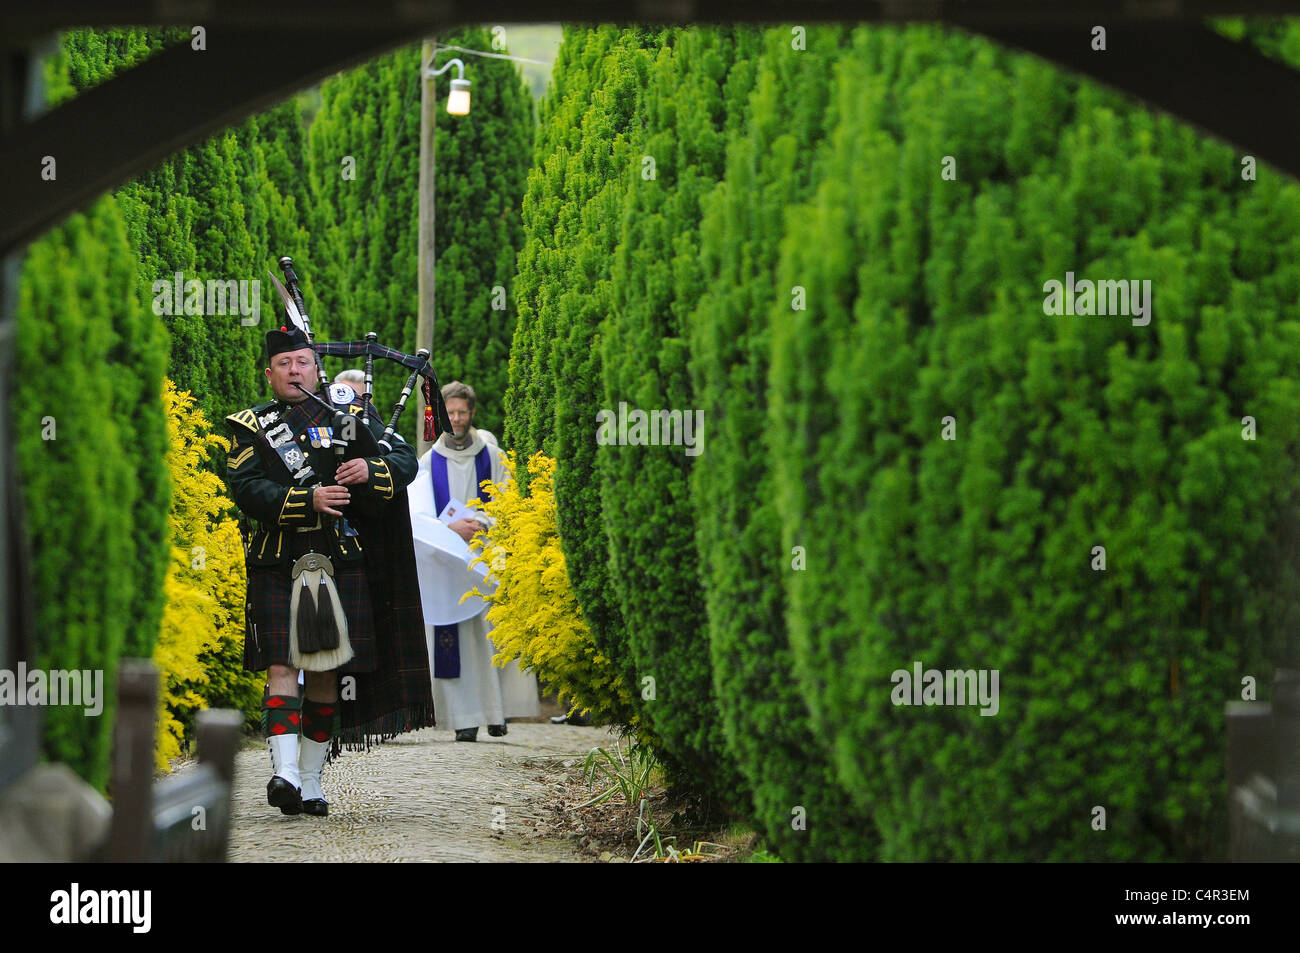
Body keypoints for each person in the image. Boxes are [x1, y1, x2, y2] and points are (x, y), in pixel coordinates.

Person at [226, 325, 434, 816]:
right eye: (284, 364)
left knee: (324, 671)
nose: (294, 370)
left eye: (302, 362)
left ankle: (313, 781)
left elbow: (403, 458)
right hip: (278, 559)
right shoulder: (252, 426)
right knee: (282, 665)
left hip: (338, 560)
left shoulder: (344, 419)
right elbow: (245, 487)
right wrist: (307, 499)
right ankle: (285, 774)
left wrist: (370, 470)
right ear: (270, 373)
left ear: (316, 370)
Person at [408, 380, 538, 742]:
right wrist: (450, 526)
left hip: (490, 556)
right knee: (461, 642)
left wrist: (483, 523)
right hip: (451, 564)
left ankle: (497, 712)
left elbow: (510, 503)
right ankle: (466, 718)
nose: (457, 418)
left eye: (462, 411)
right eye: (450, 413)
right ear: (442, 416)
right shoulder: (426, 464)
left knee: (495, 637)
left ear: (472, 412)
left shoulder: (494, 458)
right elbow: (416, 515)